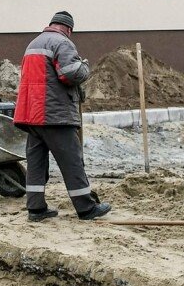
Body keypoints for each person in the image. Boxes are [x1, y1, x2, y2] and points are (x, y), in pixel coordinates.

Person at [13, 11, 112, 223]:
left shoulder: (33, 44)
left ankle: (36, 208)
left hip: (32, 114)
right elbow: (70, 74)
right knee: (72, 161)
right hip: (54, 114)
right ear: (68, 29)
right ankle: (86, 208)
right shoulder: (62, 43)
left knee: (36, 163)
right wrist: (84, 66)